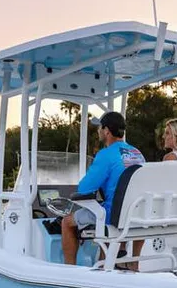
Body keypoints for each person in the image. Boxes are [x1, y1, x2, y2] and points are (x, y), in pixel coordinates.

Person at [62, 111, 145, 266]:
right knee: (103, 212)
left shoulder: (105, 155)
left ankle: (69, 270)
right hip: (136, 215)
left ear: (106, 131)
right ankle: (121, 265)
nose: (98, 131)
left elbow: (84, 189)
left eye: (100, 128)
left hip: (113, 215)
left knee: (67, 222)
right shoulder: (137, 153)